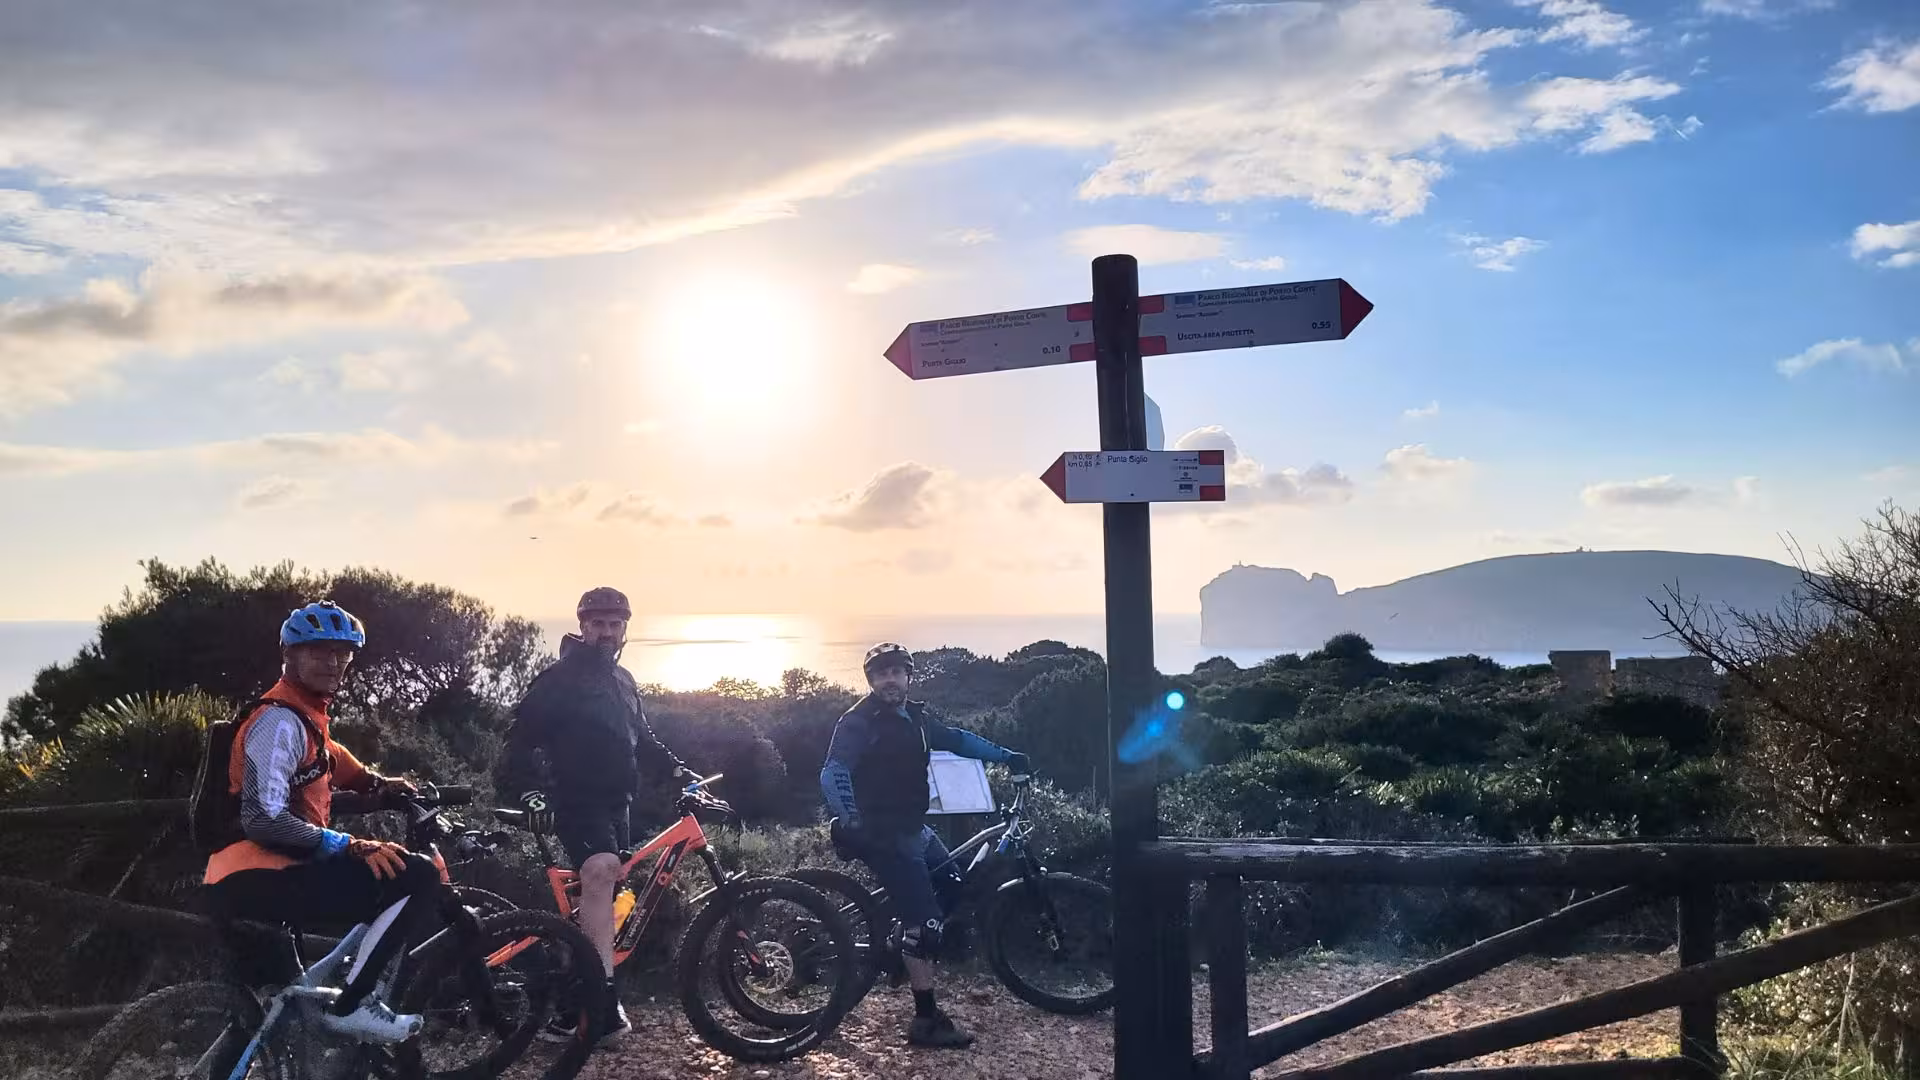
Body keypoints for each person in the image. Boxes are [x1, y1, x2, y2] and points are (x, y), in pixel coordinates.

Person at [202, 600, 433, 1045]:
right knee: (418, 875)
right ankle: (354, 1005)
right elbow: (263, 820)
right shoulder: (278, 722)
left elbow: (330, 759)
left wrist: (378, 783)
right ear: (288, 655)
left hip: (241, 880)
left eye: (340, 652)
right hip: (264, 877)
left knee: (283, 1015)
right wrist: (346, 844)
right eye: (317, 650)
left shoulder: (305, 718)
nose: (331, 661)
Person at [498, 586, 693, 1047]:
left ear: (625, 628)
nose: (607, 632)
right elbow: (519, 742)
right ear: (582, 627)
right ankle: (601, 999)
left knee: (609, 896)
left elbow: (641, 738)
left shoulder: (622, 680)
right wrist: (529, 793)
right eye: (598, 624)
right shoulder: (559, 680)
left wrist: (676, 768)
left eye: (615, 624)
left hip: (617, 801)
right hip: (574, 800)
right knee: (602, 872)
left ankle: (571, 1009)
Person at [819, 642, 1031, 1049]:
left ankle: (905, 947)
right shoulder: (858, 722)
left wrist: (1007, 757)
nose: (890, 679)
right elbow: (833, 773)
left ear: (908, 676)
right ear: (871, 681)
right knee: (926, 925)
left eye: (897, 671)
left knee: (953, 885)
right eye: (881, 674)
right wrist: (853, 822)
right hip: (883, 835)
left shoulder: (915, 717)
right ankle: (925, 1020)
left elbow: (958, 740)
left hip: (915, 828)